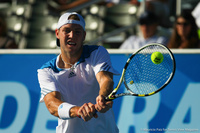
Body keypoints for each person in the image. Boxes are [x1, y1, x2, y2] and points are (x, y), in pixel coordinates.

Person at [37, 12, 119, 133]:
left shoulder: (97, 52)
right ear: (57, 33)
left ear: (84, 36)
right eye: (67, 30)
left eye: (77, 31)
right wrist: (78, 110)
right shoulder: (47, 71)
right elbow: (52, 104)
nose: (72, 35)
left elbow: (105, 79)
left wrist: (102, 96)